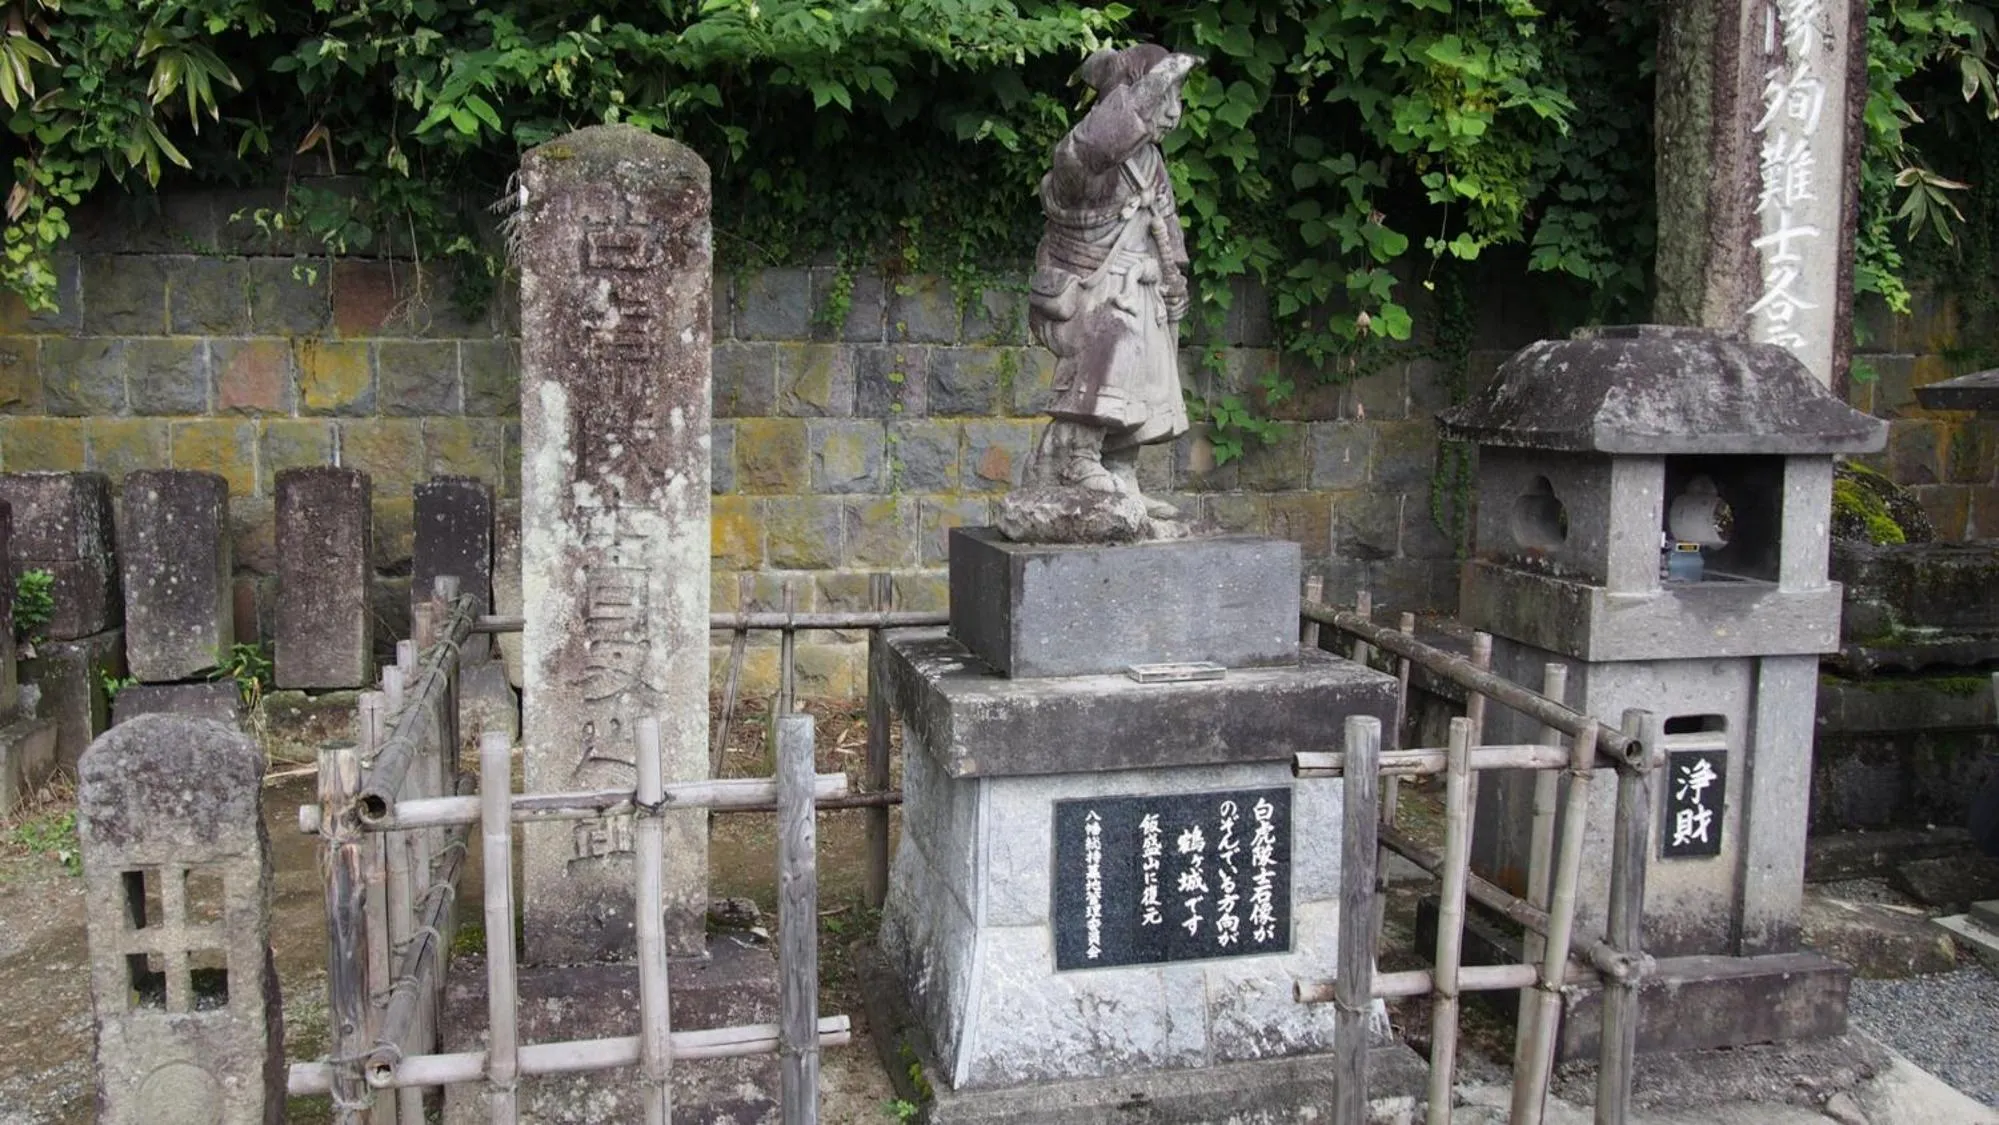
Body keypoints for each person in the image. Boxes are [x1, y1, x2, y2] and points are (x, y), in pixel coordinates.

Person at [1026, 45, 1200, 521]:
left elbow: (1167, 231)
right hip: (1089, 294)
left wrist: (1173, 281)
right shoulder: (1084, 163)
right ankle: (1075, 458)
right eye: (1161, 98)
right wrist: (1138, 98)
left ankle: (1121, 470)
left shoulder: (1153, 166)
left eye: (1176, 99)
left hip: (1139, 289)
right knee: (1115, 349)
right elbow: (1083, 152)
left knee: (1146, 377)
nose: (1171, 112)